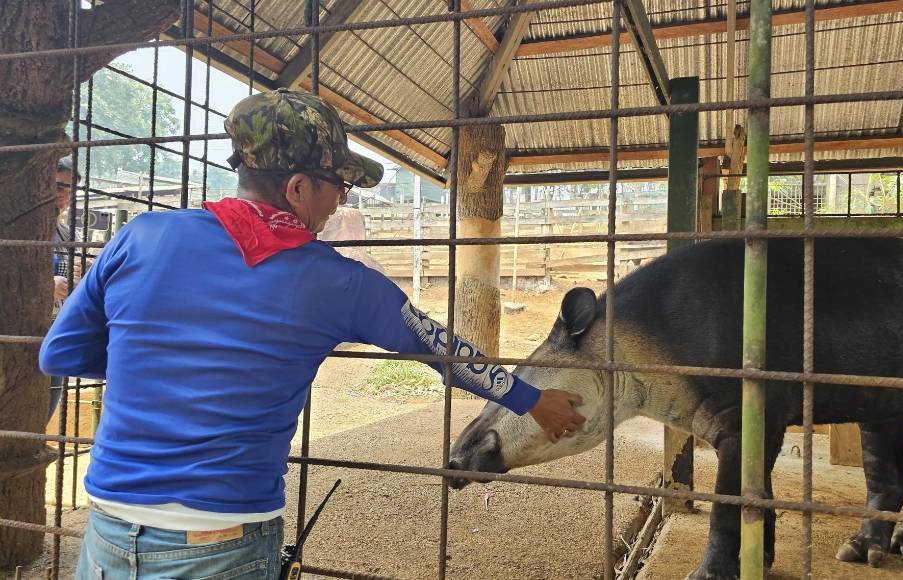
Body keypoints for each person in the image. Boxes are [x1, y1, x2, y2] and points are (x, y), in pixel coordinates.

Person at [40, 89, 585, 579]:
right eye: (340, 186)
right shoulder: (339, 282)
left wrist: (162, 363)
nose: (342, 201)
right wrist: (532, 400)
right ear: (298, 187)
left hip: (107, 528)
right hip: (222, 537)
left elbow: (60, 352)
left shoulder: (141, 236)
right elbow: (443, 351)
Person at [47, 156, 79, 420]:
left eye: (69, 189)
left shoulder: (67, 234)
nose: (64, 195)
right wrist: (46, 285)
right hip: (18, 328)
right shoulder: (13, 226)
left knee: (43, 413)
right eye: (58, 186)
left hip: (56, 330)